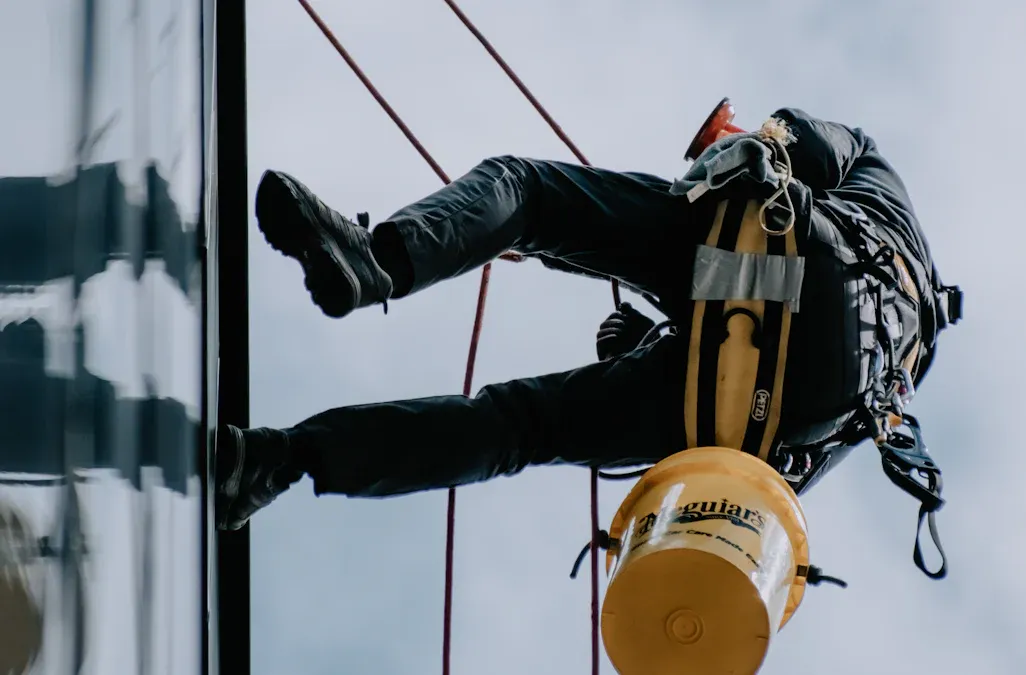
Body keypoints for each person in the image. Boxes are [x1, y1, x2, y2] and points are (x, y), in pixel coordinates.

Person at [215, 106, 962, 576]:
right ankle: (279, 461)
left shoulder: (871, 167)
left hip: (786, 260)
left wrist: (729, 154)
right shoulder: (892, 386)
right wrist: (649, 356)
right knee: (518, 428)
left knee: (529, 193)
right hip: (778, 395)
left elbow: (782, 146)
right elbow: (763, 465)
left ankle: (378, 259)